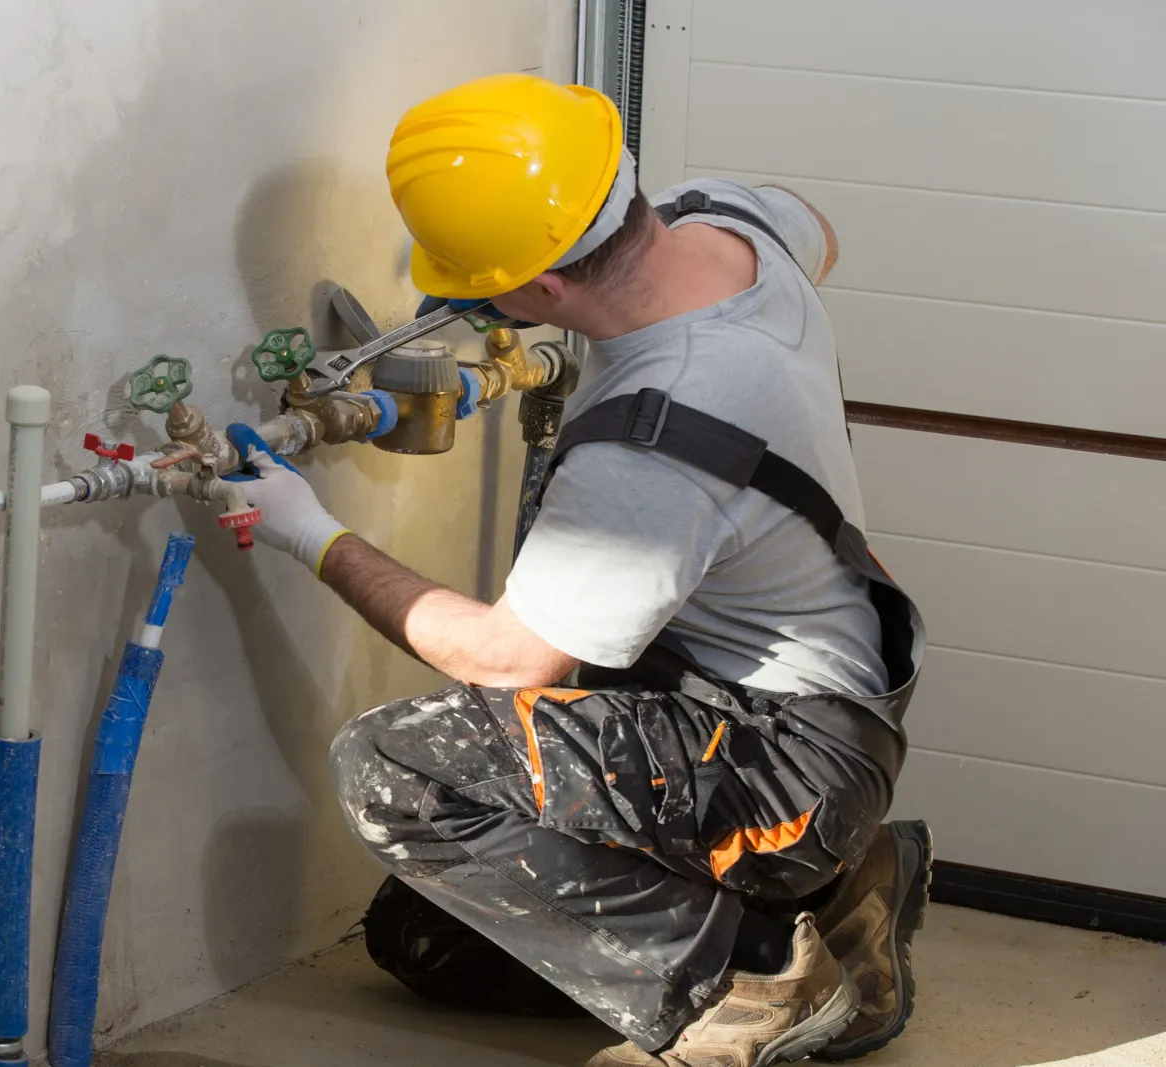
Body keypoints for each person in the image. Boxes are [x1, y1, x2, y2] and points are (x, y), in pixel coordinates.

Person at [226, 73, 929, 1067]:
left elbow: (506, 659)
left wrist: (313, 534)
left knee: (395, 772)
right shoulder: (731, 223)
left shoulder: (653, 445)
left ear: (544, 285)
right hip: (796, 694)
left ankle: (752, 979)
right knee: (419, 938)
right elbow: (821, 227)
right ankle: (843, 894)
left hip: (780, 760)